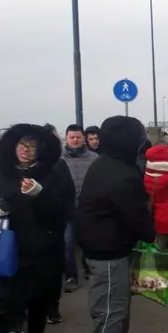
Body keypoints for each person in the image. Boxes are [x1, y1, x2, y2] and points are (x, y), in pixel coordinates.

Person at [0, 124, 75, 333]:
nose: (26, 151)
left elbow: (63, 213)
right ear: (11, 147)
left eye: (32, 146)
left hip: (42, 252)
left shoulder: (53, 173)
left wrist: (40, 195)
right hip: (5, 254)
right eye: (21, 145)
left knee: (37, 304)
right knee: (0, 310)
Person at [76, 116, 156, 333]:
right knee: (110, 313)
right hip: (107, 253)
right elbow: (136, 214)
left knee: (119, 309)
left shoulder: (107, 164)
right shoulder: (121, 173)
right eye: (139, 136)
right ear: (127, 140)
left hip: (110, 248)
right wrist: (150, 234)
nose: (142, 142)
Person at [57, 124, 98, 295]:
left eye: (78, 137)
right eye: (72, 137)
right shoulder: (58, 160)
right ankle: (71, 276)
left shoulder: (94, 158)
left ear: (83, 139)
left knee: (89, 241)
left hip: (88, 209)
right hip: (66, 210)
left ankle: (88, 268)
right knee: (66, 244)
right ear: (66, 138)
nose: (75, 140)